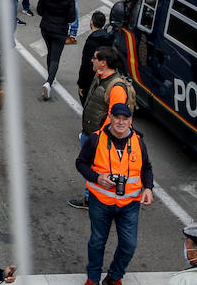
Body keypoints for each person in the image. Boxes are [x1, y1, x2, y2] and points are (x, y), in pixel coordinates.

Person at [76, 102, 155, 285]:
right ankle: (93, 278)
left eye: (125, 118)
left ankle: (114, 276)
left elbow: (147, 168)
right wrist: (97, 178)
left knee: (129, 245)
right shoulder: (96, 139)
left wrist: (148, 188)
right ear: (110, 118)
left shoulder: (138, 141)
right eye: (117, 117)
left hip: (129, 204)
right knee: (97, 242)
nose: (120, 122)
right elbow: (80, 163)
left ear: (130, 121)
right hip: (101, 202)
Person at [36, 0, 77, 102]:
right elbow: (71, 18)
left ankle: (50, 77)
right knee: (55, 57)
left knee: (50, 52)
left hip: (46, 28)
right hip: (60, 31)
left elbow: (39, 10)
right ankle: (49, 81)